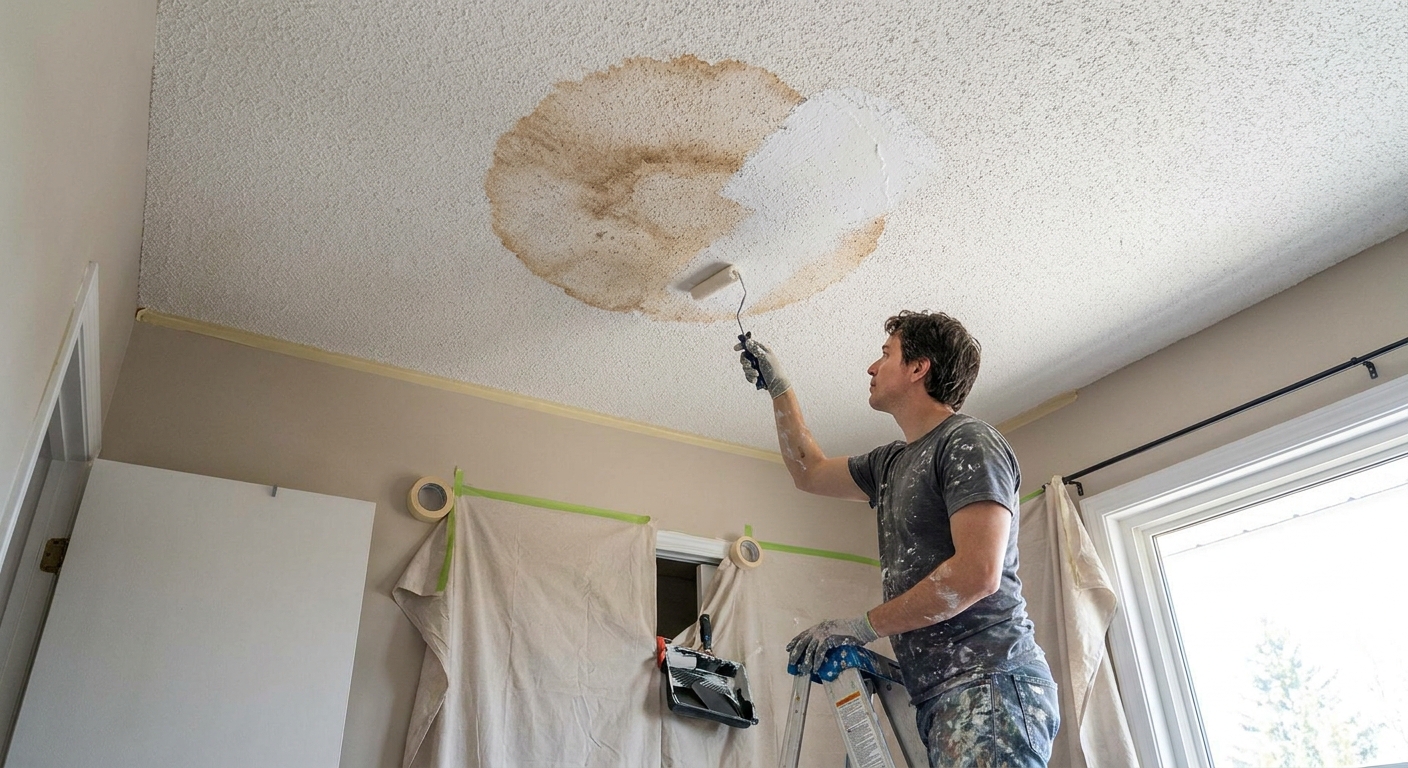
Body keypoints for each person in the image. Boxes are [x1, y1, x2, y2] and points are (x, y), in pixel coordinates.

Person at [736, 311, 1059, 768]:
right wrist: (780, 389)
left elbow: (976, 574)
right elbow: (809, 472)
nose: (872, 367)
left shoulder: (967, 441)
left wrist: (861, 625)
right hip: (938, 692)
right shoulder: (889, 464)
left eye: (885, 354)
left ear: (917, 367)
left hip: (988, 680)